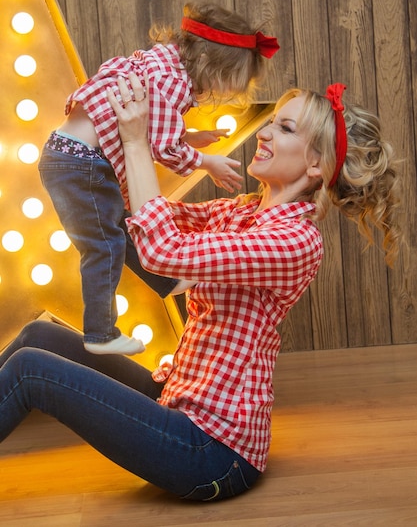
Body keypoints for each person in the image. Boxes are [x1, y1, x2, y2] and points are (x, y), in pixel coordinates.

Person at [0, 78, 401, 501]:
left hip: (212, 451)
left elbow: (161, 252)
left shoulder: (296, 241)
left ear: (317, 164)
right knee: (38, 337)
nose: (263, 133)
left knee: (32, 370)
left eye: (284, 129)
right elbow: (141, 214)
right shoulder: (241, 211)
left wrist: (137, 144)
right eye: (272, 124)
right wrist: (95, 153)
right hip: (178, 396)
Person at [38, 1, 279, 355]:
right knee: (105, 246)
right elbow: (164, 149)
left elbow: (152, 128)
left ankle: (166, 280)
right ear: (212, 65)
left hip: (68, 156)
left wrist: (189, 137)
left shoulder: (160, 62)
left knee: (117, 230)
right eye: (226, 84)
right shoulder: (173, 84)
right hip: (83, 163)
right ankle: (100, 333)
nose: (222, 94)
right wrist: (206, 162)